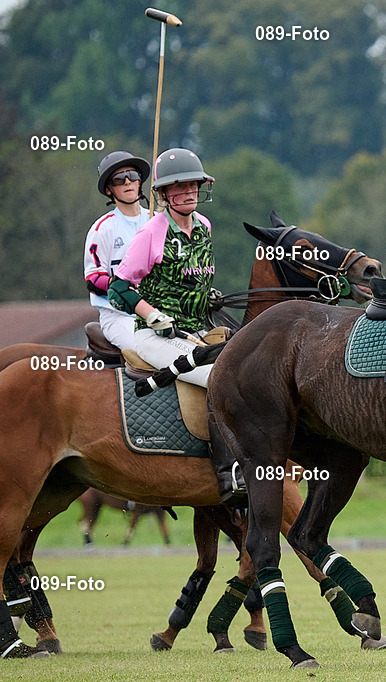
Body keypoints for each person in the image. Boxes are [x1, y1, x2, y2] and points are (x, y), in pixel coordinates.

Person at [107, 148, 241, 504]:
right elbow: (118, 286)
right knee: (220, 378)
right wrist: (150, 313)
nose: (188, 192)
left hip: (198, 330)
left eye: (193, 185)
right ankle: (228, 473)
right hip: (154, 335)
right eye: (177, 187)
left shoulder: (204, 228)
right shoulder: (152, 232)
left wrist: (206, 295)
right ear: (164, 195)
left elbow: (191, 279)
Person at [84, 151, 151, 351]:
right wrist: (119, 286)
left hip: (160, 310)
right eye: (119, 179)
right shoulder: (102, 228)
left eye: (133, 176)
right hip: (119, 316)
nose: (128, 182)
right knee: (148, 352)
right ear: (108, 190)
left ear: (140, 182)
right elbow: (93, 279)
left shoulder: (158, 220)